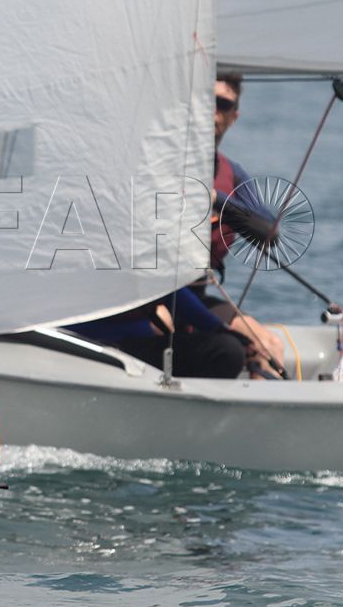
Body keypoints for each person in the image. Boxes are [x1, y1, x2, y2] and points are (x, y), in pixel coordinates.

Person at [199, 72, 287, 374]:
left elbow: (269, 232)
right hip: (151, 298)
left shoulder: (231, 173)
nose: (214, 110)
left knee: (269, 347)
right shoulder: (161, 164)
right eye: (207, 100)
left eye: (223, 104)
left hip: (196, 296)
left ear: (233, 117)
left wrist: (216, 200)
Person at [67, 287, 247, 379]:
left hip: (134, 350)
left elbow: (171, 290)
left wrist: (218, 328)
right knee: (227, 351)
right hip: (81, 347)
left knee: (227, 350)